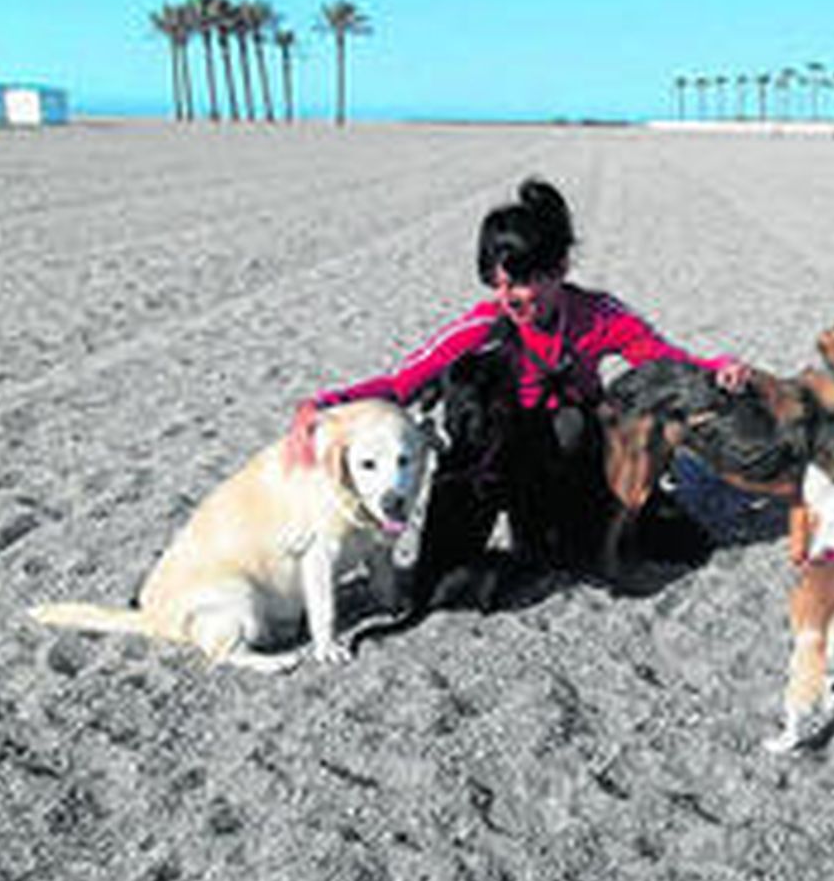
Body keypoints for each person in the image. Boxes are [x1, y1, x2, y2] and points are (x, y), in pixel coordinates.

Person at [303, 177, 749, 607]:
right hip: (498, 460)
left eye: (518, 282)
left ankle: (561, 535)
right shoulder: (484, 324)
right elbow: (404, 381)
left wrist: (715, 371)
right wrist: (325, 405)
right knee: (442, 575)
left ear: (558, 270)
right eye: (496, 284)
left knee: (663, 539)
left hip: (568, 458)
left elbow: (661, 359)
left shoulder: (597, 315)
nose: (507, 298)